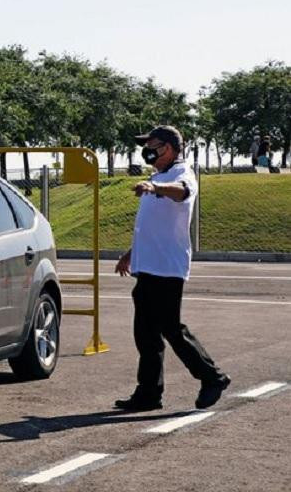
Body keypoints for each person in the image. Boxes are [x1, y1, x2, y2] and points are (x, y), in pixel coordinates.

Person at [114, 125, 230, 411]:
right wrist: (131, 253)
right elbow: (155, 226)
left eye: (152, 144)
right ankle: (149, 393)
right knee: (146, 332)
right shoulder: (158, 175)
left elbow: (182, 193)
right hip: (148, 265)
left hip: (167, 267)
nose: (148, 149)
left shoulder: (181, 174)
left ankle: (212, 377)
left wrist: (155, 188)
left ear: (168, 147)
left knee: (170, 328)